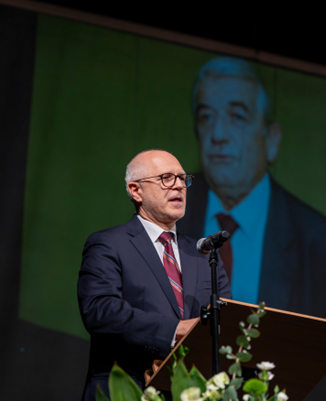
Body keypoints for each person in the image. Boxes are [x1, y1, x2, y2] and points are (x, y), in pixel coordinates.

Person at [177, 57, 326, 400]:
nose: (218, 135)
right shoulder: (165, 221)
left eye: (237, 117)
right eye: (206, 117)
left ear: (271, 139)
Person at [77, 150, 231, 401]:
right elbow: (100, 310)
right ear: (136, 190)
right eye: (167, 178)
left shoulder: (202, 255)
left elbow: (224, 323)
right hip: (127, 388)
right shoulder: (109, 244)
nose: (179, 185)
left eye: (183, 178)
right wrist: (174, 330)